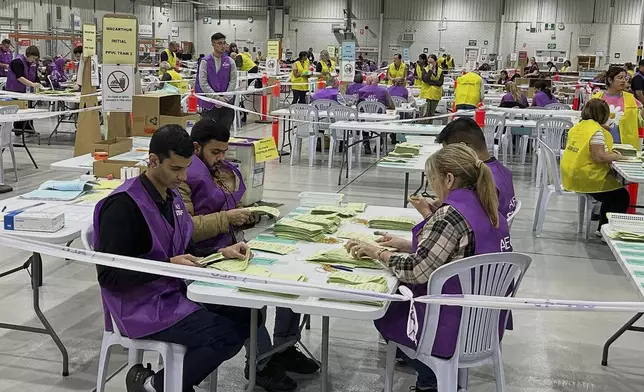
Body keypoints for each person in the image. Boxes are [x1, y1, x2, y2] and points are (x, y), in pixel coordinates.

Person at [94, 125, 255, 392]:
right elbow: (109, 276)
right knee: (224, 336)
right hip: (141, 307)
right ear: (153, 161)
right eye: (176, 169)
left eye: (187, 168)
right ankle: (154, 385)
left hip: (174, 292)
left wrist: (219, 254)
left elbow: (184, 246)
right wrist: (167, 267)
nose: (183, 177)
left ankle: (174, 380)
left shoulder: (171, 197)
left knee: (248, 314)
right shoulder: (123, 206)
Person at [346, 143, 512, 392]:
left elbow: (415, 271)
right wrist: (407, 244)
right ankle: (432, 380)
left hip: (450, 326)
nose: (431, 186)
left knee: (383, 310)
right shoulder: (488, 205)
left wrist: (377, 252)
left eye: (432, 179)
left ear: (448, 178)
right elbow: (462, 251)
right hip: (485, 323)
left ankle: (431, 380)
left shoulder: (450, 216)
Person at [179, 119, 319, 390]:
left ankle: (283, 347)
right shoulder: (183, 176)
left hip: (231, 247)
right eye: (215, 152)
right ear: (196, 148)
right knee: (249, 304)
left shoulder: (220, 170)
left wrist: (247, 217)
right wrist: (227, 218)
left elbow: (227, 209)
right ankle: (261, 363)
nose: (221, 158)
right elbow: (186, 229)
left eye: (224, 152)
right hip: (201, 257)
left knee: (290, 276)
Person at [561, 98, 630, 233]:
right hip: (587, 177)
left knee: (613, 194)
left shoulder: (579, 127)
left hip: (571, 173)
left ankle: (602, 227)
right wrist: (617, 156)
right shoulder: (596, 131)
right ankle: (605, 229)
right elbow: (598, 157)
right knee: (620, 196)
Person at [434, 117, 517, 219]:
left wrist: (427, 213)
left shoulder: (479, 180)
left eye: (450, 152)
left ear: (463, 147)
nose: (449, 158)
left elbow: (464, 224)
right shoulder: (503, 171)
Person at [593, 66, 644, 147]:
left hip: (626, 145)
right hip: (600, 144)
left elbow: (640, 121)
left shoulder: (631, 99)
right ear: (610, 80)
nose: (623, 81)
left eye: (625, 78)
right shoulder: (596, 98)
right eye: (620, 78)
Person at [195, 32, 238, 130]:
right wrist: (216, 98)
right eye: (219, 43)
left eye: (224, 43)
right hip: (210, 103)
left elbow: (233, 81)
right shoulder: (205, 62)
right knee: (209, 133)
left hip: (227, 103)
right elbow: (203, 82)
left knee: (224, 132)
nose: (223, 46)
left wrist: (225, 98)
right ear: (213, 44)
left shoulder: (231, 62)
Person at [418, 54, 443, 118]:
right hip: (426, 94)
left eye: (432, 62)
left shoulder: (440, 70)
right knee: (426, 114)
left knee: (432, 114)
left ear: (436, 61)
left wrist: (431, 82)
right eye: (429, 62)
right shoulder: (425, 70)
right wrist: (430, 71)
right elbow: (426, 80)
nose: (430, 64)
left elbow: (440, 82)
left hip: (436, 94)